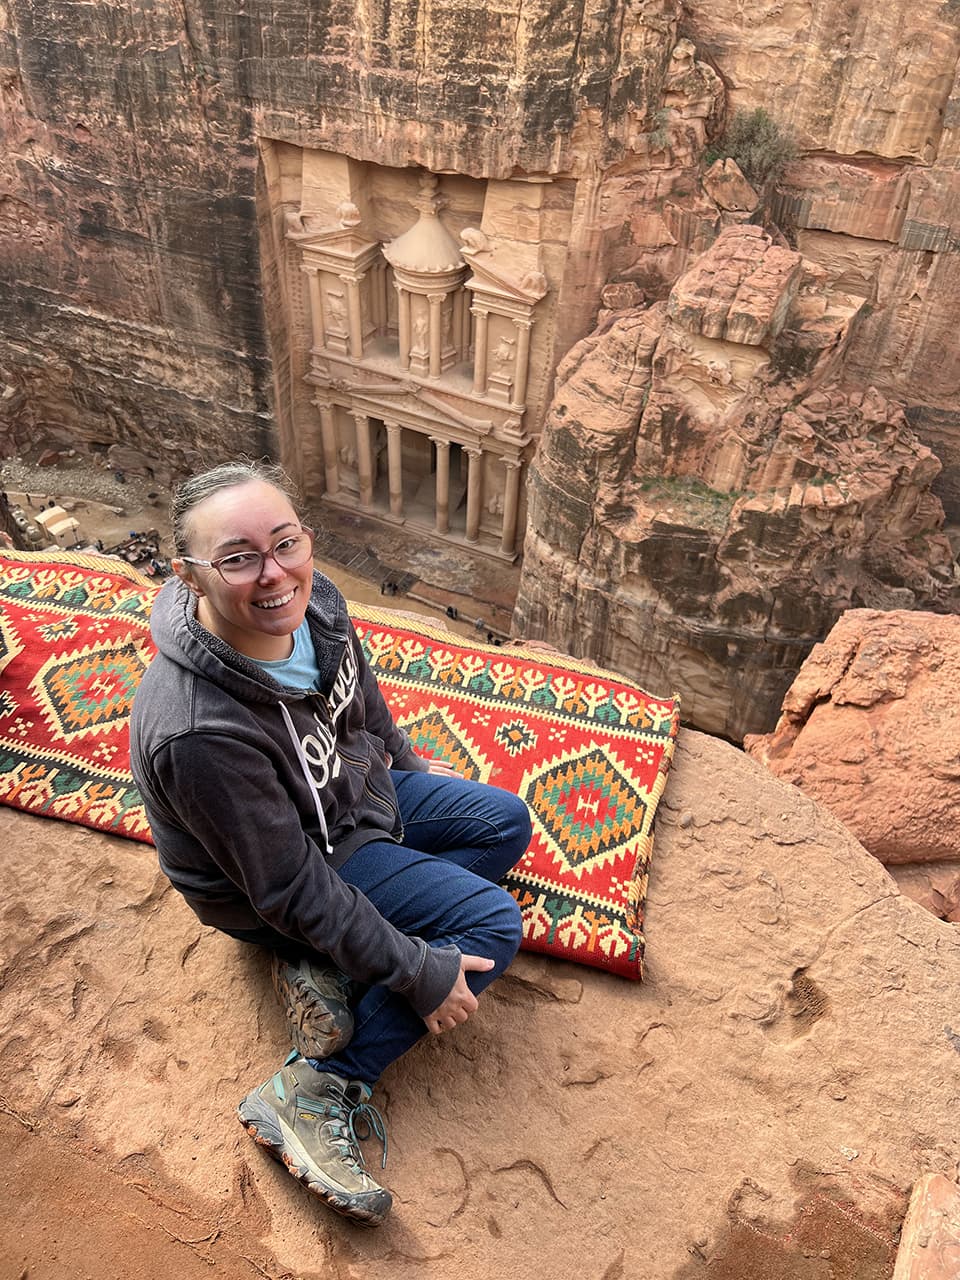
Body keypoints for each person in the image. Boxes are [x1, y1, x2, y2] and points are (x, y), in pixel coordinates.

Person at [129, 460, 530, 1227]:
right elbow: (285, 887)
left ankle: (330, 959)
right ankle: (316, 1086)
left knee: (501, 821)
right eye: (238, 557)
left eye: (286, 543)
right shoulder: (197, 729)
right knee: (488, 927)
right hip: (282, 873)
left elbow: (359, 703)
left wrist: (405, 760)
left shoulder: (315, 607)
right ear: (189, 576)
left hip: (346, 804)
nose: (273, 573)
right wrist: (416, 970)